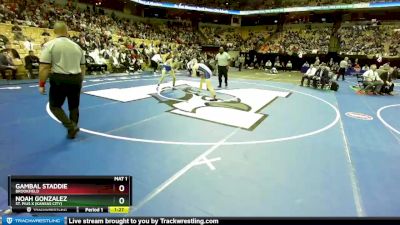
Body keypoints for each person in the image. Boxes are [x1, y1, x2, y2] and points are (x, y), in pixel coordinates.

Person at [39, 22, 86, 139]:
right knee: (74, 106)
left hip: (59, 79)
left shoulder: (50, 45)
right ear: (67, 31)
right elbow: (83, 67)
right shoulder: (77, 46)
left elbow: (44, 67)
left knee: (54, 106)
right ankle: (72, 132)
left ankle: (71, 127)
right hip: (76, 79)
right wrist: (80, 82)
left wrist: (41, 84)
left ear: (54, 32)